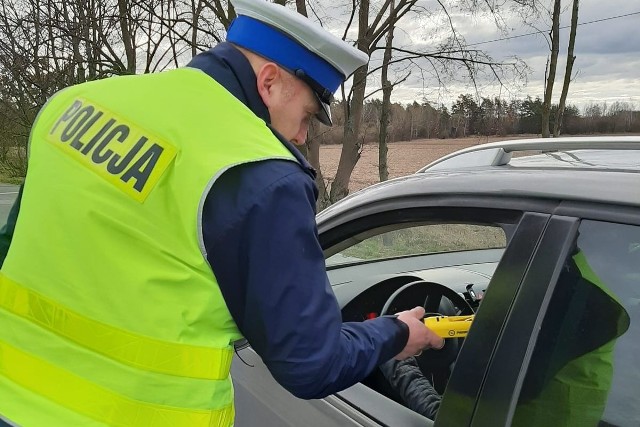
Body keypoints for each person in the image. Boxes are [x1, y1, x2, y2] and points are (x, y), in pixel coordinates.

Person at [0, 0, 444, 425]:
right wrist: (397, 333)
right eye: (308, 115)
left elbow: (13, 245)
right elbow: (311, 363)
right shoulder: (261, 172)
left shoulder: (73, 103)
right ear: (269, 82)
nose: (301, 135)